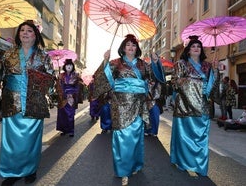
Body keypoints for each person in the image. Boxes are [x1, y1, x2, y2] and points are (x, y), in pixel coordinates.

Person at [0, 20, 55, 186]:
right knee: (11, 140)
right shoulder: (8, 54)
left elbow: (51, 81)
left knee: (31, 140)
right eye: (22, 30)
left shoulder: (43, 57)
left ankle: (30, 170)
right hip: (12, 102)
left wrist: (38, 80)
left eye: (29, 30)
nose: (25, 33)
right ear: (18, 35)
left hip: (34, 102)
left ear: (35, 35)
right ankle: (11, 172)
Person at [92, 34, 165, 185]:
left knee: (136, 135)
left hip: (138, 103)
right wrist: (105, 61)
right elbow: (102, 78)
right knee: (121, 135)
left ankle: (135, 164)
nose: (131, 48)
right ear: (123, 48)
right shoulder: (115, 63)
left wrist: (156, 63)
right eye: (128, 45)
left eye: (134, 45)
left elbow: (153, 79)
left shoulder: (143, 65)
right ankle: (122, 168)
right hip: (120, 103)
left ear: (137, 48)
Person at [170, 35, 220, 176]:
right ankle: (183, 162)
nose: (196, 48)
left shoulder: (207, 66)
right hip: (184, 106)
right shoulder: (181, 64)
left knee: (201, 138)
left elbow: (212, 87)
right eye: (193, 46)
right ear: (188, 50)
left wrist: (215, 71)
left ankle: (199, 165)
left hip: (202, 106)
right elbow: (175, 82)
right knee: (184, 137)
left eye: (198, 46)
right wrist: (197, 83)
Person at [56, 59, 80, 137]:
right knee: (62, 114)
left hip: (71, 97)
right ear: (64, 67)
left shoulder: (76, 75)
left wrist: (74, 94)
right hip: (63, 97)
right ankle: (64, 130)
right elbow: (58, 86)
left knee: (70, 114)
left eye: (70, 65)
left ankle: (71, 131)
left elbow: (77, 87)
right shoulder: (61, 75)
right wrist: (61, 91)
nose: (69, 67)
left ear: (73, 66)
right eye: (67, 65)